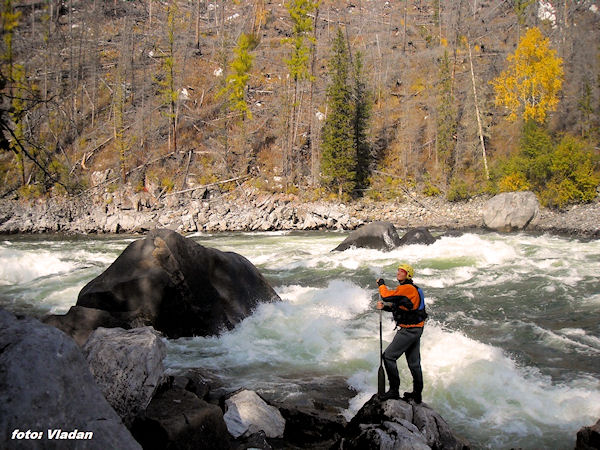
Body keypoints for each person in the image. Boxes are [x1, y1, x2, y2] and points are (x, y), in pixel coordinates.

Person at [376, 263, 427, 403]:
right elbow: (402, 306)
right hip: (416, 329)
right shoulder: (411, 289)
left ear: (408, 275)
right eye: (398, 271)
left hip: (409, 330)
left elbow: (386, 295)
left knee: (388, 357)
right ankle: (417, 395)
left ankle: (393, 390)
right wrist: (385, 308)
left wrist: (381, 284)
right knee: (414, 363)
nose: (398, 273)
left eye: (402, 271)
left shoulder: (407, 288)